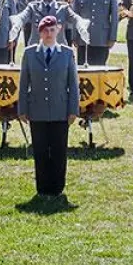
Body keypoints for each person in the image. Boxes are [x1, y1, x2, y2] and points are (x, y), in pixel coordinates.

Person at [17, 16, 80, 199]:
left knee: (59, 151)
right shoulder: (30, 53)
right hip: (37, 111)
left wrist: (73, 110)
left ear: (58, 30)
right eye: (45, 30)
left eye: (52, 30)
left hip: (61, 110)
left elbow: (73, 85)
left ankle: (57, 188)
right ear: (40, 32)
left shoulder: (67, 53)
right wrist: (22, 109)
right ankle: (43, 188)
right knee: (41, 150)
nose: (49, 34)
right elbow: (23, 84)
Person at [71, 0, 119, 66]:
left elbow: (114, 15)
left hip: (102, 38)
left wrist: (112, 37)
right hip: (84, 37)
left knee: (100, 68)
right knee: (83, 69)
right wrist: (74, 36)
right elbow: (75, 14)